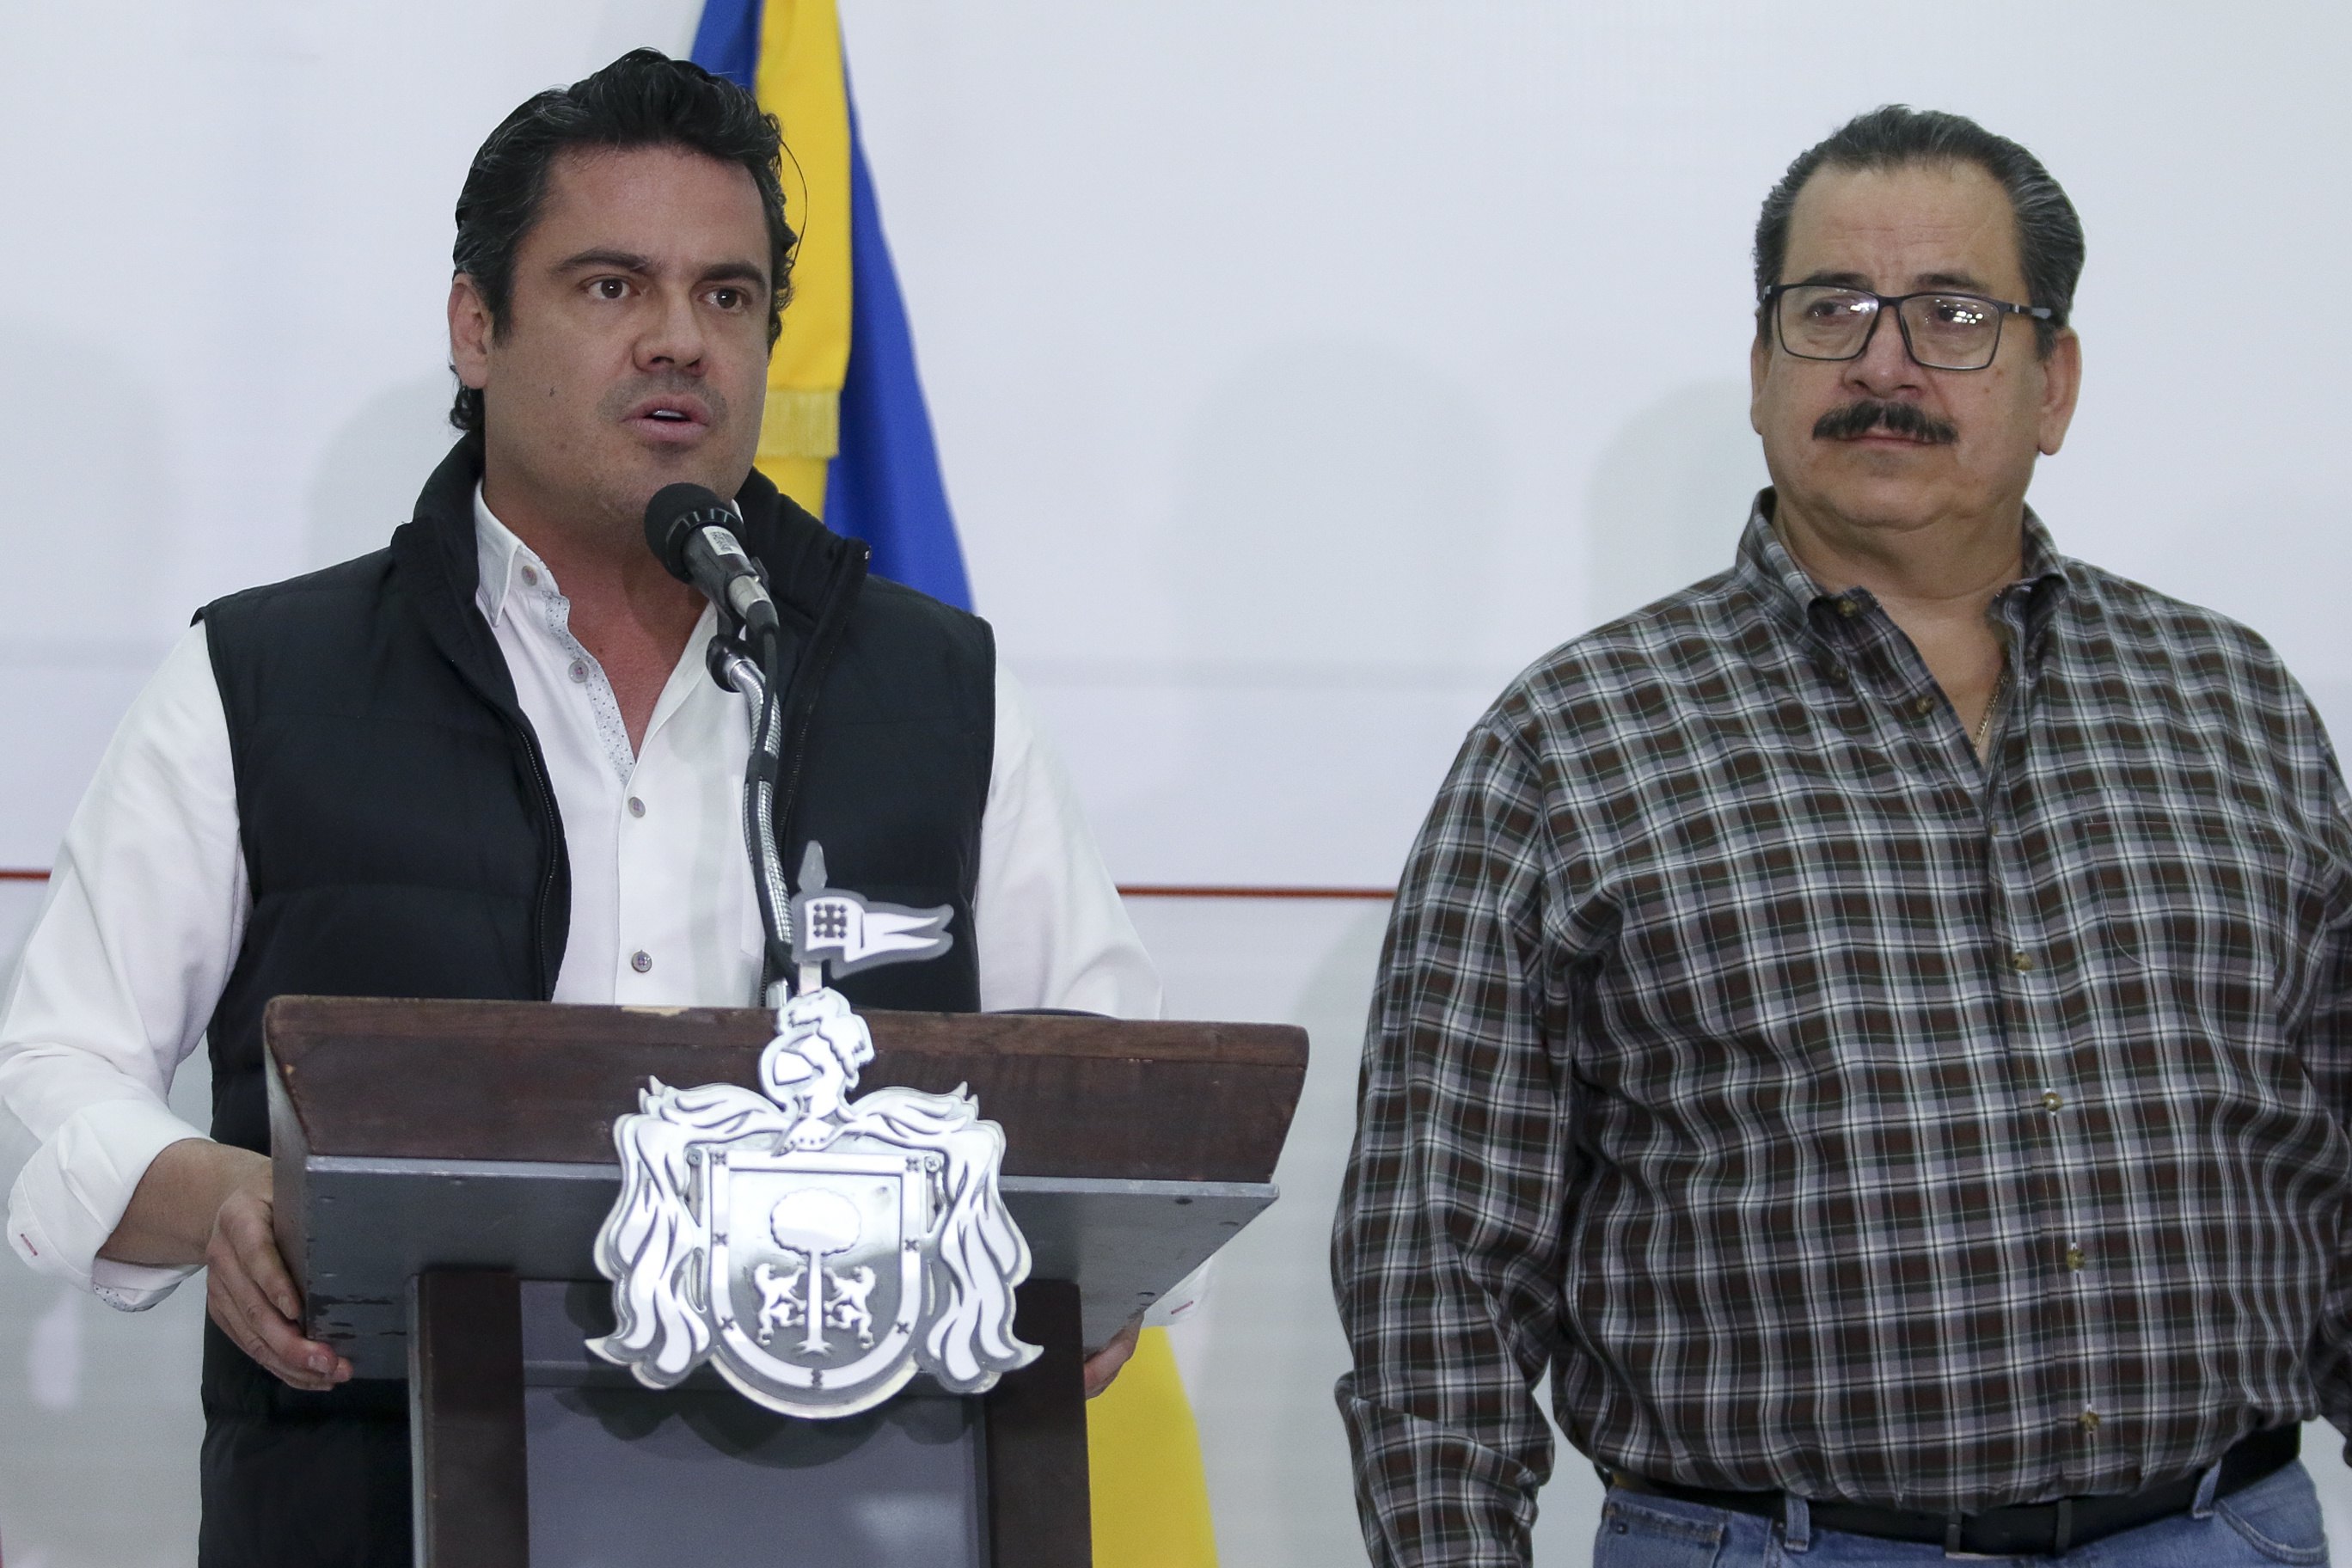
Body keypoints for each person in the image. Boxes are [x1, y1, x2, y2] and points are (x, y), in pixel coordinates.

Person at [0, 50, 1155, 1565]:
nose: (681, 342)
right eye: (614, 289)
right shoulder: (263, 679)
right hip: (376, 1500)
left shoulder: (938, 692)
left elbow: (1123, 1109)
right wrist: (224, 1193)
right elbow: (47, 1068)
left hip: (856, 1503)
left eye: (728, 298)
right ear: (478, 327)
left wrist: (1092, 1268)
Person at [1332, 104, 2352, 1567]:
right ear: (1761, 371)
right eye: (1833, 313)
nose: (1886, 365)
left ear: (2053, 383)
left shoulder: (2236, 703)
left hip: (2214, 1532)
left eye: (1953, 315)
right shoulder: (1570, 745)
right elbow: (1439, 1279)